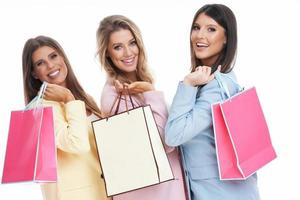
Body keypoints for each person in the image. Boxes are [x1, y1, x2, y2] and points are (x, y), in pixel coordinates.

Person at [165, 4, 261, 200]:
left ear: (226, 38)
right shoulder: (224, 80)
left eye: (211, 29)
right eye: (196, 27)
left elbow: (174, 135)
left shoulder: (216, 87)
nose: (200, 35)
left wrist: (187, 84)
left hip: (219, 192)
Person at [96, 15, 188, 200]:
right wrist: (151, 93)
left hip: (165, 189)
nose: (128, 52)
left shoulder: (137, 83)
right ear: (107, 53)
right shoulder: (114, 96)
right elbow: (163, 142)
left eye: (132, 43)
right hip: (151, 193)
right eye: (118, 47)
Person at [22, 35, 110, 200]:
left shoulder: (84, 98)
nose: (50, 65)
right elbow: (77, 144)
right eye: (40, 63)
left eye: (53, 56)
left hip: (105, 192)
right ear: (34, 73)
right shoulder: (40, 109)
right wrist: (69, 99)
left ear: (62, 57)